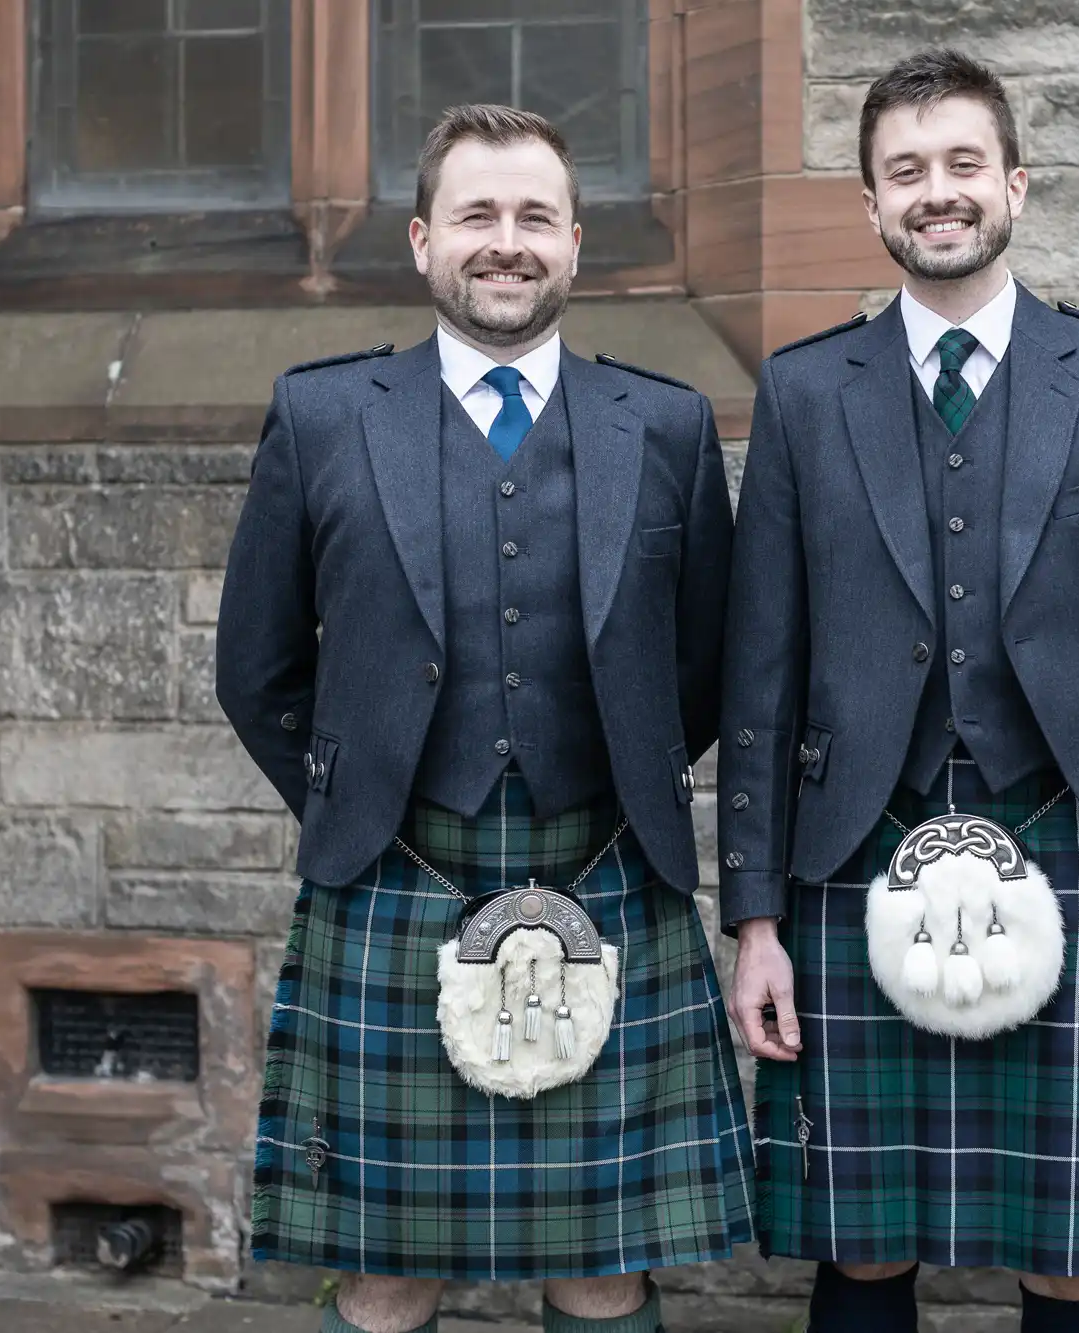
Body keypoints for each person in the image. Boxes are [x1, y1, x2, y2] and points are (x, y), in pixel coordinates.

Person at [718, 49, 1079, 1333]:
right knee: (861, 1246)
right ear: (871, 204)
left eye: (960, 165)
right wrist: (756, 919)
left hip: (1077, 843)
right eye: (904, 171)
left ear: (1014, 181)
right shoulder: (801, 390)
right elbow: (757, 675)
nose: (934, 193)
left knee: (1070, 1253)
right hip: (851, 852)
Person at [217, 104, 750, 1333]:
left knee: (603, 1261)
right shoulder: (323, 416)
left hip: (610, 870)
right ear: (420, 241)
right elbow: (254, 667)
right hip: (390, 881)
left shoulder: (663, 427)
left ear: (573, 244)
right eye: (475, 215)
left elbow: (712, 661)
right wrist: (353, 799)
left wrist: (621, 770)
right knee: (387, 1268)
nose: (503, 243)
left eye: (532, 218)